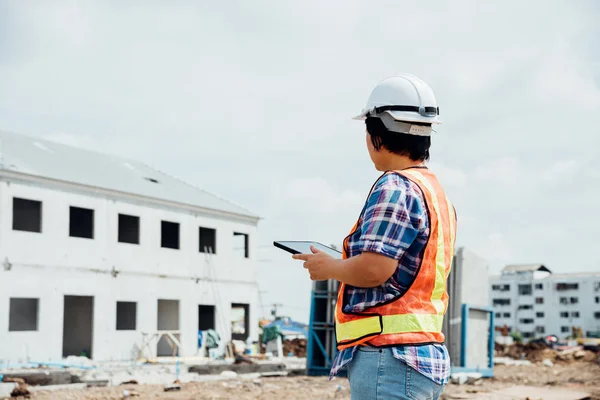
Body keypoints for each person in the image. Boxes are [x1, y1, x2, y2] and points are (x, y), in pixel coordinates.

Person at [292, 73, 456, 400]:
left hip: (390, 359)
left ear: (375, 136)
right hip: (419, 355)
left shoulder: (395, 186)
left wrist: (330, 268)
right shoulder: (436, 193)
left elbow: (374, 269)